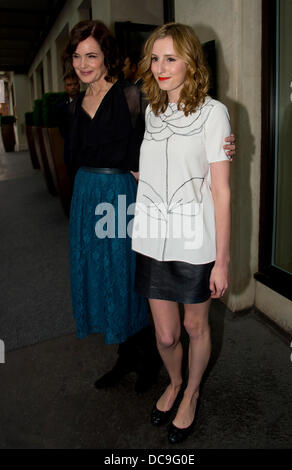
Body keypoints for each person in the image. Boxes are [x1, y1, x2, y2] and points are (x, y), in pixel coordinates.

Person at [132, 23, 232, 444]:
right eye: (155, 58)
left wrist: (222, 261)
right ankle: (173, 381)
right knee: (166, 334)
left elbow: (223, 192)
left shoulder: (214, 113)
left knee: (194, 328)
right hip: (153, 236)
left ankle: (190, 392)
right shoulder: (152, 110)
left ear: (191, 61)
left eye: (171, 58)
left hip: (194, 241)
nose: (161, 67)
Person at [62, 20, 161, 393]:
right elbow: (73, 160)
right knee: (101, 276)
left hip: (122, 195)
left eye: (92, 55)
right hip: (87, 197)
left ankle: (148, 358)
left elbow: (169, 129)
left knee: (127, 275)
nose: (83, 63)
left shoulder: (132, 96)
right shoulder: (71, 108)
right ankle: (125, 355)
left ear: (107, 57)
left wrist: (219, 142)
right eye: (77, 56)